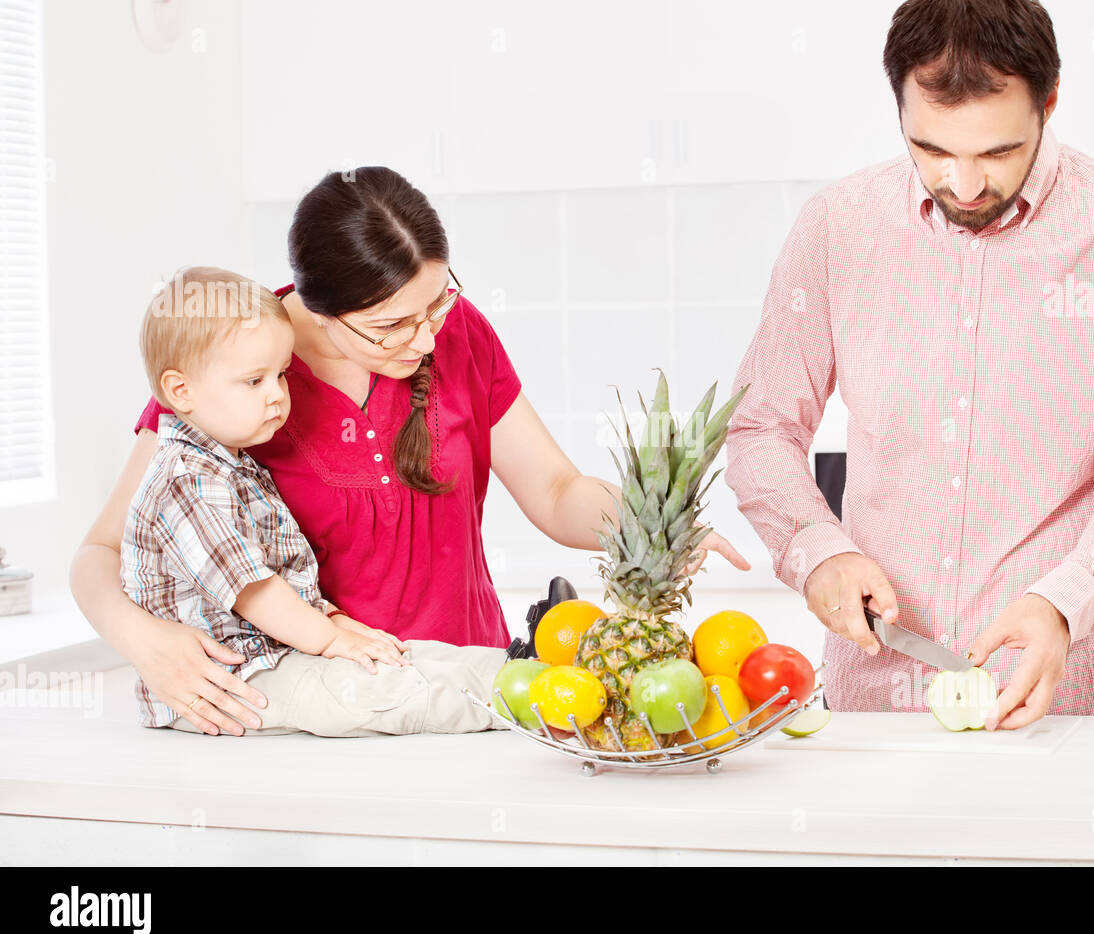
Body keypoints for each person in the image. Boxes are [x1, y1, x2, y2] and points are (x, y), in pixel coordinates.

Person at [70, 166, 748, 736]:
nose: (425, 340)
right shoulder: (232, 374)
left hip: (472, 695)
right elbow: (102, 552)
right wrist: (143, 642)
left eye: (438, 304)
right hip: (327, 717)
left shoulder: (459, 334)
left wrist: (649, 527)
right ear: (317, 308)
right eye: (390, 325)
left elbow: (555, 492)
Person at [724, 0, 1094, 728]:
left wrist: (1065, 600)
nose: (965, 186)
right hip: (872, 708)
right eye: (933, 151)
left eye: (998, 153)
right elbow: (760, 427)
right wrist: (817, 552)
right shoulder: (837, 228)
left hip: (1065, 710)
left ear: (1049, 101)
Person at [123, 267, 506, 735]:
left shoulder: (236, 466)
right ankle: (515, 702)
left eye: (280, 375)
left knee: (398, 654)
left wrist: (344, 626)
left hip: (276, 653)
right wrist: (330, 640)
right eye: (253, 382)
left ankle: (516, 671)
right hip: (232, 682)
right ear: (180, 391)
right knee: (375, 694)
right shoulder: (187, 480)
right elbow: (254, 591)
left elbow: (287, 581)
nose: (277, 397)